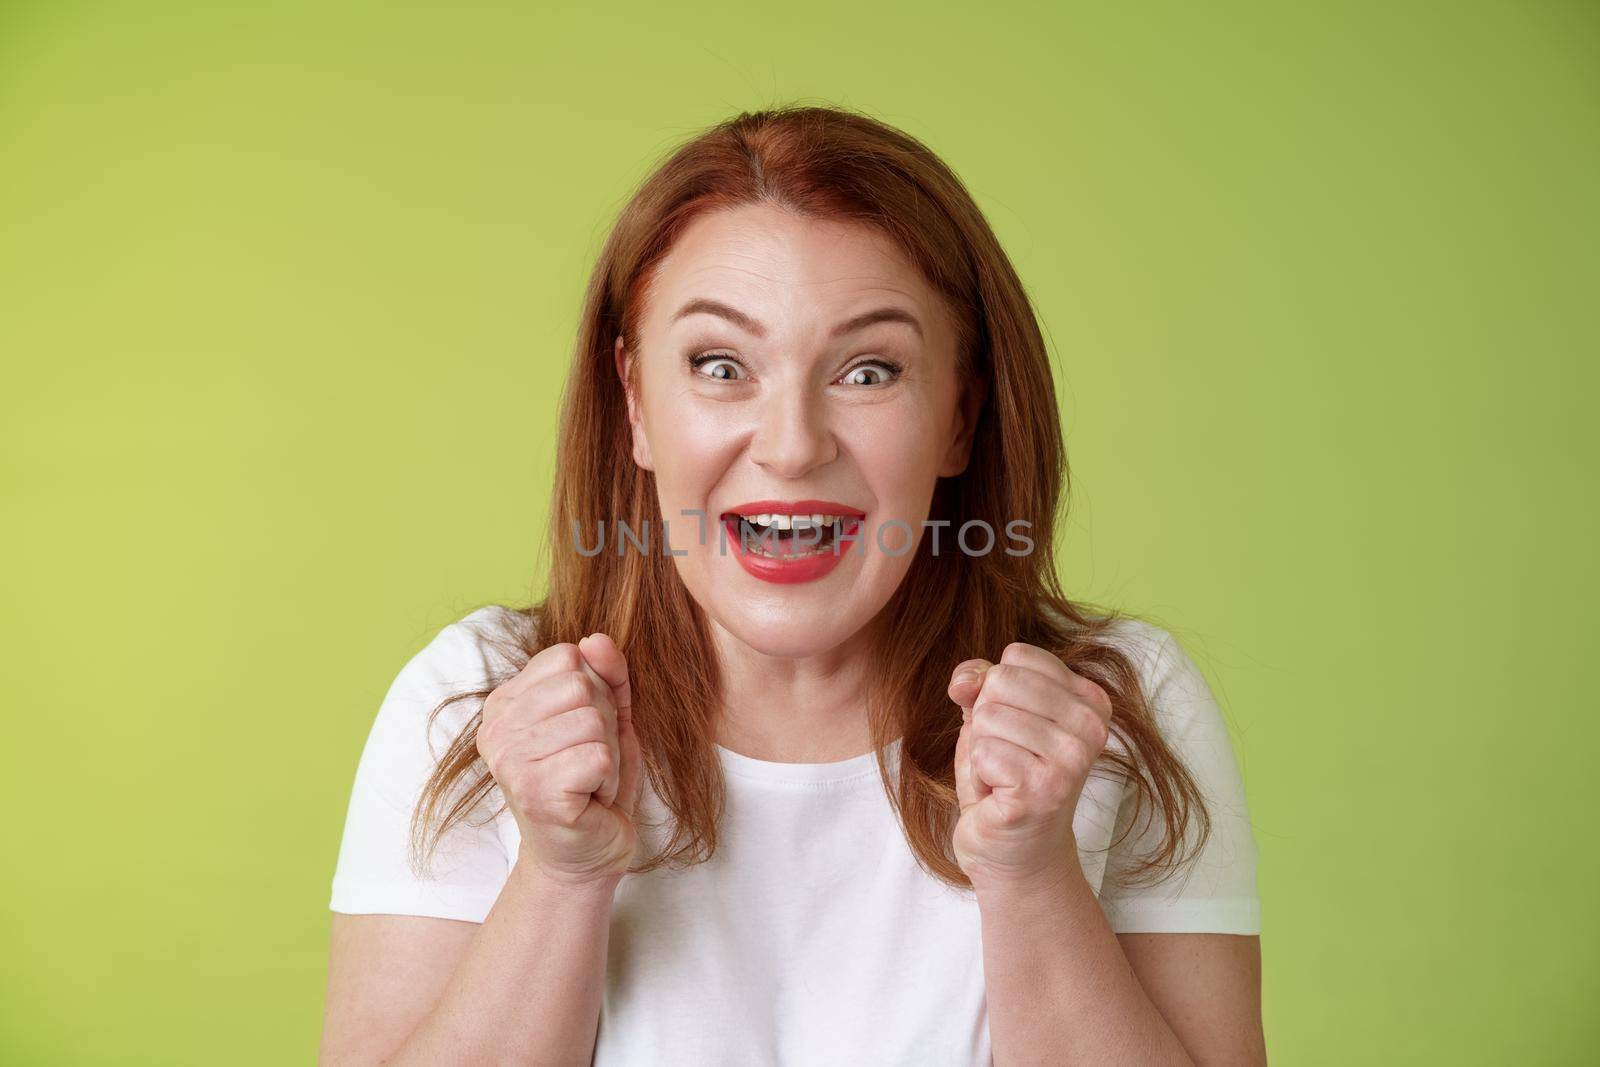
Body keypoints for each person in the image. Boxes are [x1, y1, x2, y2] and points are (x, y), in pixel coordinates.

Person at [319, 104, 1264, 1066]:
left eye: (867, 370)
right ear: (636, 403)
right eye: (721, 365)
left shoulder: (1115, 713)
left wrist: (1032, 877)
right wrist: (558, 878)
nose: (792, 445)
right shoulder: (474, 708)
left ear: (960, 416)